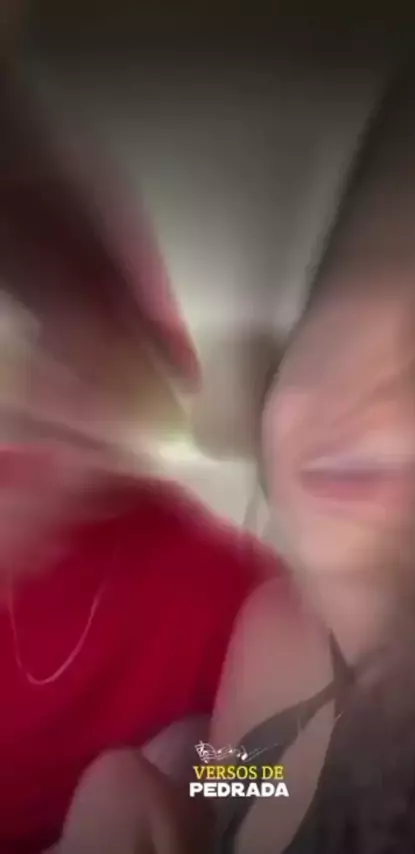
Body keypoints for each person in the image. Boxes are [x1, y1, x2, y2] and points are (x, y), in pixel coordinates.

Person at [0, 66, 275, 854]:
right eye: (54, 352)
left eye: (105, 362)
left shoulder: (223, 580)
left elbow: (282, 773)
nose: (68, 394)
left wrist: (180, 771)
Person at [211, 54, 415, 853]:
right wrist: (148, 784)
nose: (357, 387)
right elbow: (233, 785)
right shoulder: (273, 626)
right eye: (334, 315)